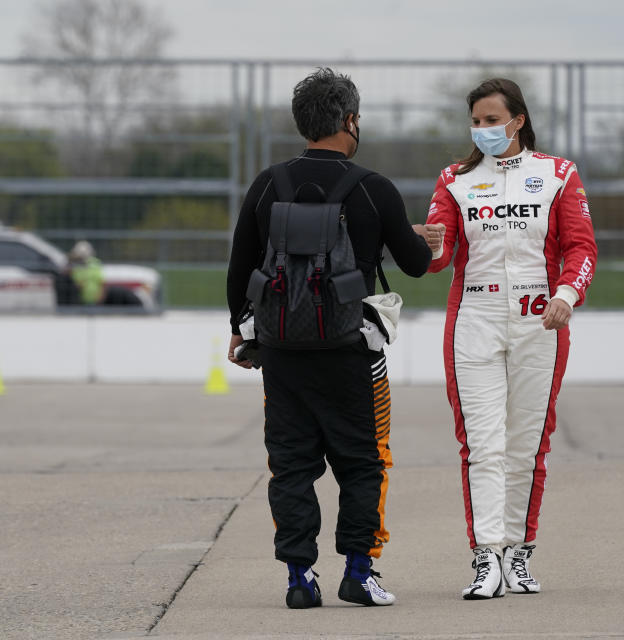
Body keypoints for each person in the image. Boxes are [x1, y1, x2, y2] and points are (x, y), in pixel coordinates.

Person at [226, 67, 443, 609]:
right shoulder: (373, 189)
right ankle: (358, 572)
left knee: (291, 463)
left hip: (281, 350)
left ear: (304, 123)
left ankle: (300, 579)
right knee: (363, 462)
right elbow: (416, 266)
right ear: (349, 121)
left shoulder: (267, 184)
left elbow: (238, 268)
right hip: (352, 353)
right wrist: (422, 238)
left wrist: (239, 331)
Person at [425, 78, 597, 599]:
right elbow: (435, 260)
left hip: (540, 322)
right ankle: (485, 558)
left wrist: (567, 295)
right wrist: (428, 243)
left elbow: (582, 247)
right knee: (481, 444)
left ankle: (518, 554)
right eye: (475, 122)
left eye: (492, 120)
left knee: (527, 445)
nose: (483, 130)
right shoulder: (454, 180)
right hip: (473, 321)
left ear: (518, 121)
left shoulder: (558, 174)